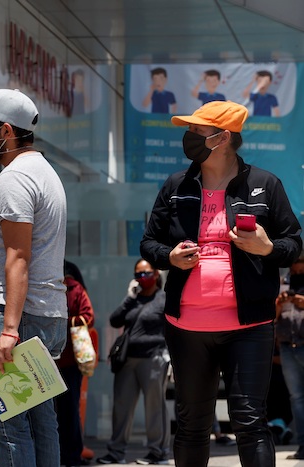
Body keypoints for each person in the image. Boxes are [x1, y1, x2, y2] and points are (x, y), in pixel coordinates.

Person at [140, 100, 302, 466]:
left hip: (250, 325)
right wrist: (169, 256)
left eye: (196, 131)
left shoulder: (264, 184)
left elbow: (293, 245)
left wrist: (267, 247)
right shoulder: (176, 185)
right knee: (192, 424)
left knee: (250, 423)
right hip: (186, 327)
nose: (188, 138)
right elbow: (149, 242)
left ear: (223, 138)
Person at [0, 88, 68, 466]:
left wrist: (8, 328)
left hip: (19, 317)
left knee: (7, 423)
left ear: (6, 130)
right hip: (46, 312)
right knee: (41, 422)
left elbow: (19, 257)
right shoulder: (44, 172)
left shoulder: (14, 178)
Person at [97, 259, 170, 465]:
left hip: (154, 358)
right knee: (122, 407)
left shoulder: (164, 299)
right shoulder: (133, 299)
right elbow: (114, 320)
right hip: (128, 359)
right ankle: (116, 452)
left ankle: (158, 453)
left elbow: (175, 328)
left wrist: (171, 358)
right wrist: (130, 297)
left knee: (155, 407)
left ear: (156, 274)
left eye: (146, 273)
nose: (142, 278)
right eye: (138, 274)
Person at [55, 261, 95, 467]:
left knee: (69, 411)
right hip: (50, 360)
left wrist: (66, 321)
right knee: (54, 412)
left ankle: (71, 457)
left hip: (69, 360)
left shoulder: (74, 288)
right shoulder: (45, 288)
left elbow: (89, 316)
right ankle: (59, 456)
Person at [275, 257, 304, 459]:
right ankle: (303, 446)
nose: (296, 274)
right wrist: (280, 303)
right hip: (287, 347)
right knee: (296, 398)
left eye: (300, 271)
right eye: (294, 271)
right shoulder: (282, 283)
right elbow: (272, 316)